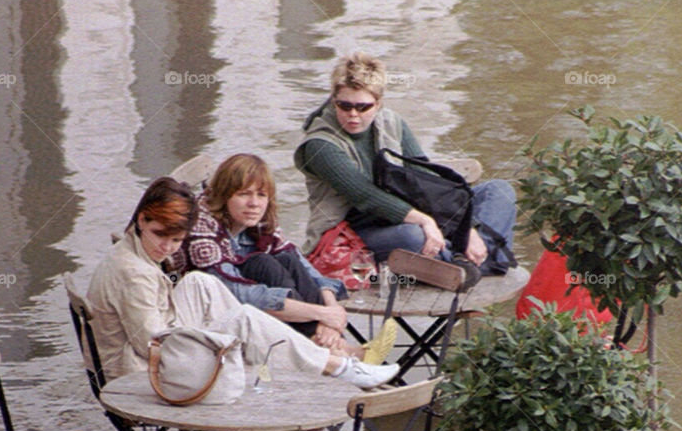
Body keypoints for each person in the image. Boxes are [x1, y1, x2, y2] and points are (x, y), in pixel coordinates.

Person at [86, 176, 398, 390]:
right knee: (244, 318)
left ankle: (325, 357)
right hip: (143, 377)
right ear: (142, 220)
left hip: (150, 350)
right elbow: (152, 345)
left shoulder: (131, 249)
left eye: (176, 240)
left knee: (199, 283)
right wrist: (219, 335)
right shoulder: (133, 273)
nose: (167, 247)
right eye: (160, 236)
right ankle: (337, 366)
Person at [294, 51, 517, 273]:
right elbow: (366, 197)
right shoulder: (321, 145)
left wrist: (469, 227)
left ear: (378, 103)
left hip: (409, 214)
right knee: (413, 236)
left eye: (363, 107)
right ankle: (480, 261)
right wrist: (427, 222)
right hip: (357, 231)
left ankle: (462, 263)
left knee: (498, 191)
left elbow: (425, 178)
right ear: (334, 101)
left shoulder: (392, 122)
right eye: (344, 106)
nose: (353, 114)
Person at [173, 153, 352, 353]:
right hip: (202, 313)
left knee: (287, 259)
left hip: (250, 311)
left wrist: (331, 311)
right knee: (264, 263)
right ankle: (338, 351)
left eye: (261, 195)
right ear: (224, 195)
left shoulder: (260, 222)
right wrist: (321, 314)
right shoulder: (202, 226)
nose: (254, 203)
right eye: (243, 194)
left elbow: (304, 265)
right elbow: (236, 293)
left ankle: (334, 345)